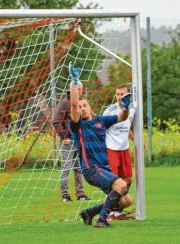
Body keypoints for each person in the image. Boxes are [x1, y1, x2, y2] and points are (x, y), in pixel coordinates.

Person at [67, 62, 133, 228]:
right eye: (80, 107)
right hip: (91, 169)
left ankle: (90, 212)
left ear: (89, 107)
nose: (82, 108)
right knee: (122, 185)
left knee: (126, 200)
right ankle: (102, 220)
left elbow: (122, 117)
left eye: (84, 106)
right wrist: (75, 84)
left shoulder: (100, 121)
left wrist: (125, 107)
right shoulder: (78, 126)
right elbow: (73, 105)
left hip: (104, 168)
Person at [103, 84, 136, 220]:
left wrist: (137, 140)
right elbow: (101, 128)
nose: (120, 97)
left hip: (124, 149)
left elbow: (126, 127)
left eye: (123, 94)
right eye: (117, 94)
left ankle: (117, 212)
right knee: (114, 183)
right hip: (111, 150)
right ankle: (109, 213)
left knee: (127, 180)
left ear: (128, 95)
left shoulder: (132, 109)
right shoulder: (109, 111)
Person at [52, 81, 89, 202]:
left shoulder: (81, 103)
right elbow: (56, 121)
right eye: (75, 89)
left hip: (79, 141)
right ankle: (65, 195)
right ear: (71, 89)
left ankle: (80, 193)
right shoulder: (64, 103)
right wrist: (64, 136)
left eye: (79, 89)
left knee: (79, 168)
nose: (78, 91)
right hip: (68, 142)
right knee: (66, 168)